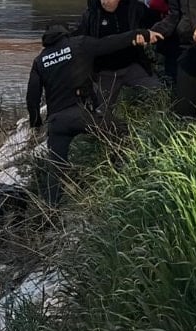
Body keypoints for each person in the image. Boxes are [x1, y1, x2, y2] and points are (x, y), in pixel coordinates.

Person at [26, 24, 153, 203]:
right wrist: (138, 33)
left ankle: (49, 214)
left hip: (57, 122)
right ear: (65, 34)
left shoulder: (40, 61)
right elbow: (110, 43)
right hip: (83, 114)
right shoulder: (79, 44)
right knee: (121, 131)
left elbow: (32, 96)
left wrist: (35, 124)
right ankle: (123, 178)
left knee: (56, 170)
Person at [75, 0, 158, 110]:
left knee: (157, 91)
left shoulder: (135, 8)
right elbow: (79, 40)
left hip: (132, 65)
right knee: (101, 110)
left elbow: (157, 23)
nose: (105, 2)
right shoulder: (91, 14)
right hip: (105, 72)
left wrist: (148, 37)